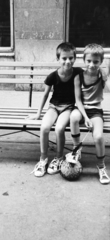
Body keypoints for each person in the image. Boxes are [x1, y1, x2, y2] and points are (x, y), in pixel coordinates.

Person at [28, 42, 83, 177]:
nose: (68, 61)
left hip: (68, 108)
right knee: (44, 127)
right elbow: (45, 95)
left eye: (71, 58)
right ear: (58, 59)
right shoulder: (52, 76)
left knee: (59, 128)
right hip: (54, 106)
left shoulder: (78, 72)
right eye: (64, 58)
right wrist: (38, 114)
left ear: (75, 58)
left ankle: (58, 158)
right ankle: (43, 159)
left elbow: (93, 73)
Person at [70, 43, 110, 184]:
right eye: (89, 61)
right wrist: (86, 118)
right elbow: (78, 100)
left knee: (98, 136)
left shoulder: (102, 75)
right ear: (84, 60)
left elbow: (107, 74)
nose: (92, 65)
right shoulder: (78, 77)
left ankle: (101, 166)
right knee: (74, 116)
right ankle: (76, 148)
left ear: (101, 62)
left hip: (96, 110)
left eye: (96, 61)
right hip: (82, 109)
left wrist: (104, 73)